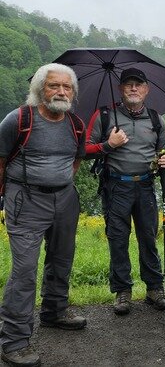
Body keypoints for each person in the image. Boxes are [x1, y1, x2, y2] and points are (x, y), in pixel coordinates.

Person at [0, 64, 87, 367]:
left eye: (67, 87)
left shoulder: (75, 123)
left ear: (73, 93)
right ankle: (13, 341)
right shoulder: (18, 120)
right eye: (54, 86)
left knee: (62, 259)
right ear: (40, 89)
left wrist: (58, 183)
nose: (61, 92)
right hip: (25, 199)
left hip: (64, 199)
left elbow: (75, 161)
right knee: (24, 272)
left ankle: (54, 311)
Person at [86, 67, 165, 316]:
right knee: (118, 240)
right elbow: (84, 148)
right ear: (120, 89)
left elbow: (163, 152)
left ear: (146, 89)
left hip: (146, 185)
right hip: (116, 187)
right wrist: (107, 145)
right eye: (128, 85)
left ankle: (154, 289)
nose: (133, 88)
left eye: (138, 84)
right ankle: (122, 291)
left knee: (148, 237)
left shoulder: (156, 119)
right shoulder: (104, 115)